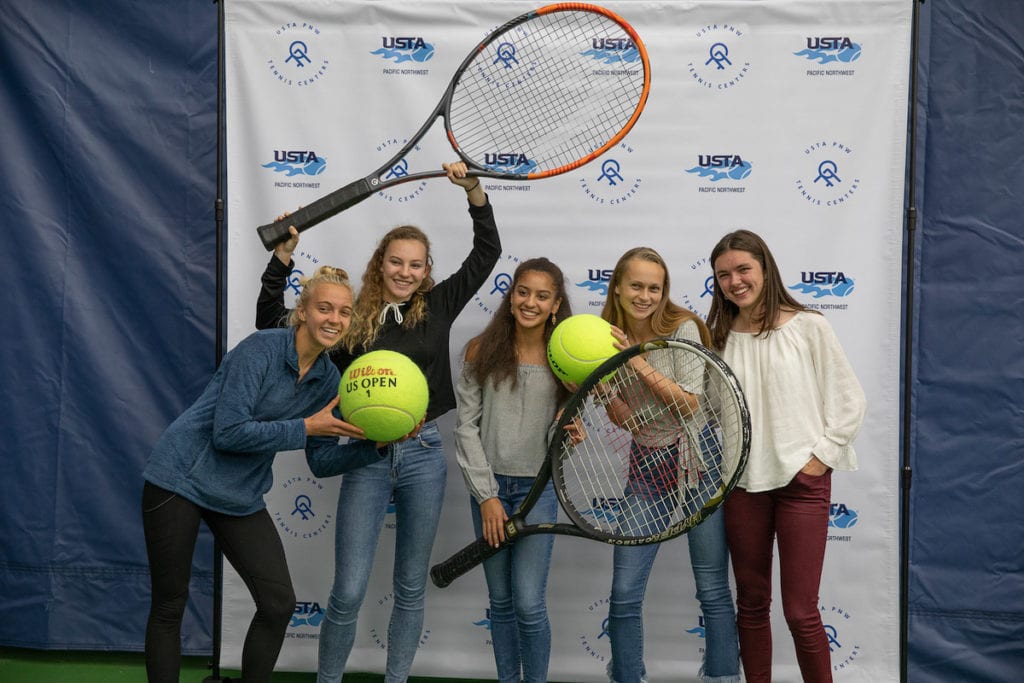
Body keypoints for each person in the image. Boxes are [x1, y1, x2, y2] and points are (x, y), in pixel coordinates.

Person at [255, 162, 500, 682]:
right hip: (364, 454)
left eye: (415, 264)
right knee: (348, 588)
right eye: (396, 262)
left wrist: (473, 190)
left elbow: (487, 255)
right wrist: (281, 261)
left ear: (426, 268)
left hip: (424, 455)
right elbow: (271, 323)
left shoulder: (437, 305)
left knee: (410, 585)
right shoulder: (349, 318)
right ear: (380, 263)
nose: (405, 272)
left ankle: (396, 679)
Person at [142, 266, 387, 683]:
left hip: (238, 493)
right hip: (180, 478)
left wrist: (378, 446)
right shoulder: (262, 349)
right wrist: (305, 427)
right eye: (324, 308)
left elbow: (322, 461)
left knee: (277, 604)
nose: (334, 319)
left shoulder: (330, 380)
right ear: (303, 312)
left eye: (344, 313)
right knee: (170, 603)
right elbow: (228, 433)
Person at [706, 229, 867, 683]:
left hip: (802, 486)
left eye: (743, 269)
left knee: (800, 611)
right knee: (752, 604)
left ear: (764, 269)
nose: (735, 281)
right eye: (723, 275)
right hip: (743, 487)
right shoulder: (716, 338)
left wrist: (818, 460)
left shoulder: (808, 325)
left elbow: (849, 401)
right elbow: (708, 409)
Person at [600, 247, 741, 683]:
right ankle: (627, 676)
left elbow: (690, 403)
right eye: (637, 286)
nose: (645, 296)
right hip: (646, 461)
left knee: (713, 589)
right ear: (618, 287)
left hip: (698, 458)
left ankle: (721, 676)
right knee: (624, 593)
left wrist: (636, 361)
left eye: (654, 288)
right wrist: (605, 395)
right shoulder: (602, 335)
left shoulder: (683, 327)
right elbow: (622, 417)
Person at [453, 257, 573, 683]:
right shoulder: (480, 351)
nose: (530, 302)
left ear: (556, 304)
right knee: (500, 601)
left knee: (528, 602)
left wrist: (568, 433)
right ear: (511, 295)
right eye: (523, 292)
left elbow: (567, 431)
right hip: (488, 491)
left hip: (538, 493)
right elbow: (465, 429)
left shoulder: (567, 358)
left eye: (542, 296)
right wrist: (486, 495)